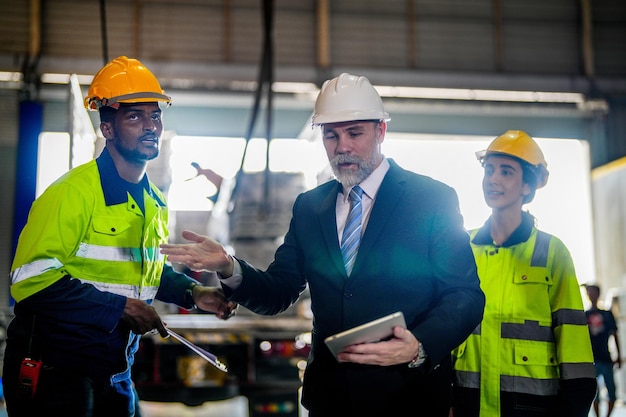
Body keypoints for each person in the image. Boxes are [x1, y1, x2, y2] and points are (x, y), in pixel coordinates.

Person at [160, 72, 486, 417]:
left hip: (408, 395)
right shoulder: (310, 207)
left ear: (381, 131)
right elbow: (279, 291)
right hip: (331, 398)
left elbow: (464, 295)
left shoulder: (430, 199)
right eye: (331, 135)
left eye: (354, 133)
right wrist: (229, 265)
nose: (342, 146)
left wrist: (419, 346)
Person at [2, 56, 238, 417]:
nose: (150, 127)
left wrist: (195, 293)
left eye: (155, 116)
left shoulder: (154, 201)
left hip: (115, 370)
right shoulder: (71, 193)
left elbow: (143, 272)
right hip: (57, 370)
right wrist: (121, 308)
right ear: (107, 128)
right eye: (134, 116)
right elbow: (30, 281)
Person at [451, 130, 597, 416]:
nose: (493, 179)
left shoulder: (552, 253)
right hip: (469, 405)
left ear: (527, 186)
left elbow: (575, 346)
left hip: (532, 409)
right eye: (489, 170)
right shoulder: (463, 249)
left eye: (506, 172)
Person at [586, 284, 622, 417]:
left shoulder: (606, 314)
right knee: (594, 394)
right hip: (591, 360)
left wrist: (618, 355)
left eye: (593, 292)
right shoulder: (585, 315)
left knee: (611, 392)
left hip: (606, 358)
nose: (591, 295)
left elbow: (615, 334)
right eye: (589, 292)